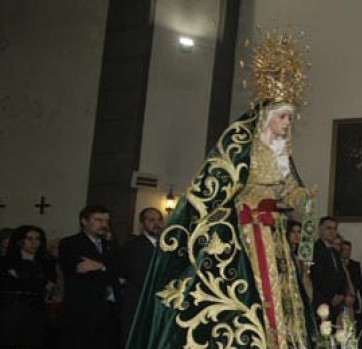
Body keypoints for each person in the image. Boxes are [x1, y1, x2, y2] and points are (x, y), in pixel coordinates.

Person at [126, 31, 319, 349]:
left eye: (290, 118)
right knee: (251, 290)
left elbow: (290, 191)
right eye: (283, 117)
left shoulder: (283, 152)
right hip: (246, 229)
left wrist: (304, 197)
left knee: (283, 291)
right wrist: (256, 200)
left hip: (274, 233)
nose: (287, 124)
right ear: (269, 117)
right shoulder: (242, 142)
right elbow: (217, 183)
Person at [58, 205, 120, 349]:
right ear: (84, 221)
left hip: (109, 309)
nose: (104, 225)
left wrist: (101, 266)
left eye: (107, 221)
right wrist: (109, 270)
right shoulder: (71, 243)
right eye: (99, 220)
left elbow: (121, 269)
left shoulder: (110, 244)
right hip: (83, 309)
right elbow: (79, 268)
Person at [0, 225, 57, 348]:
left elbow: (49, 286)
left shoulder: (46, 262)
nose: (34, 242)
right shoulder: (6, 261)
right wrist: (35, 283)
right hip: (11, 308)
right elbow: (7, 284)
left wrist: (22, 281)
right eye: (29, 238)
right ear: (20, 241)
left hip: (36, 308)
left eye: (37, 239)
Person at [118, 207, 163, 342]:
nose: (156, 224)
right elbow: (135, 273)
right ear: (143, 223)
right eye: (151, 220)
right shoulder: (133, 245)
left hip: (158, 302)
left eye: (159, 220)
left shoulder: (166, 245)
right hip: (138, 301)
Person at [312, 216, 348, 322]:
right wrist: (331, 296)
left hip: (336, 304)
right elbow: (315, 277)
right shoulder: (315, 250)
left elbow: (341, 275)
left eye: (335, 229)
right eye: (328, 228)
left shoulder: (335, 252)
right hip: (321, 302)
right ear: (320, 229)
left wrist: (341, 294)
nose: (332, 232)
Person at [340, 239, 362, 316]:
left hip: (352, 299)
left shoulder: (355, 265)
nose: (346, 252)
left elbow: (357, 282)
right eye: (344, 249)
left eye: (348, 250)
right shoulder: (335, 264)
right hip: (339, 299)